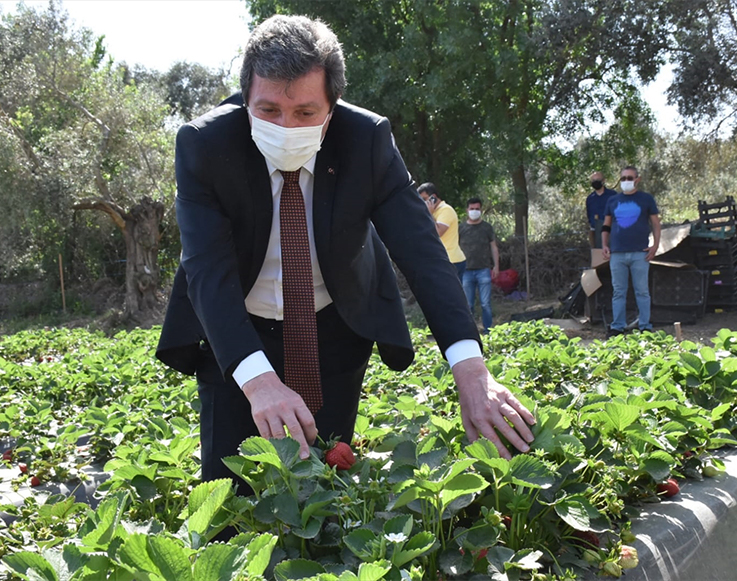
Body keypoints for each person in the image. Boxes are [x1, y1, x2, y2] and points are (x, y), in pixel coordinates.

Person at [155, 15, 536, 494]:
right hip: (235, 329)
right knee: (232, 495)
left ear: (332, 107)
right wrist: (258, 381)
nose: (284, 126)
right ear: (246, 96)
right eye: (268, 109)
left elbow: (421, 251)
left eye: (304, 113)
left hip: (333, 326)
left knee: (328, 484)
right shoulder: (205, 144)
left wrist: (470, 369)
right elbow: (206, 270)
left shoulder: (365, 139)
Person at [601, 166, 661, 336]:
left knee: (642, 291)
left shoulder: (646, 199)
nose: (626, 181)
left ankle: (645, 326)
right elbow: (606, 225)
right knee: (618, 291)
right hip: (617, 253)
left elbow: (656, 224)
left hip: (640, 252)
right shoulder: (612, 201)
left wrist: (655, 245)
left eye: (629, 178)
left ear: (637, 179)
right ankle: (617, 326)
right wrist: (604, 245)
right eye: (623, 178)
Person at [459, 198, 499, 334]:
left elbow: (493, 247)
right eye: (472, 209)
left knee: (485, 304)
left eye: (477, 209)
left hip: (484, 270)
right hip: (466, 271)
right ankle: (469, 331)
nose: (474, 211)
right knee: (467, 305)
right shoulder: (461, 228)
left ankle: (488, 331)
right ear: (467, 210)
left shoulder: (487, 227)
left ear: (481, 210)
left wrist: (496, 266)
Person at [417, 183, 467, 280]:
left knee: (450, 294)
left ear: (433, 197)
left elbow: (438, 232)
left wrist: (429, 214)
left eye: (424, 199)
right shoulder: (433, 211)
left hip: (451, 260)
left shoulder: (446, 210)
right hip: (439, 259)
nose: (422, 203)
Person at [585, 171, 616, 248]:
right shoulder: (590, 198)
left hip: (612, 231)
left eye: (598, 180)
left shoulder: (613, 195)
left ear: (603, 180)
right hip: (596, 232)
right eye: (593, 180)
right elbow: (589, 216)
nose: (595, 182)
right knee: (598, 257)